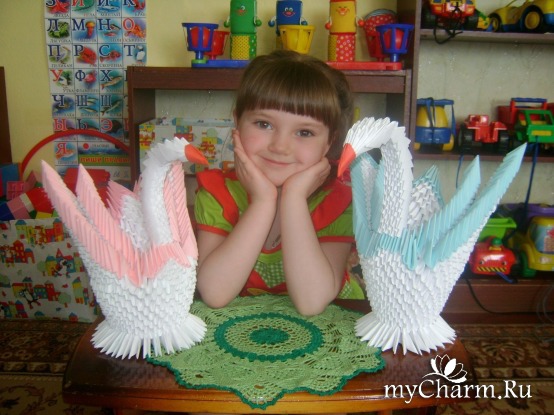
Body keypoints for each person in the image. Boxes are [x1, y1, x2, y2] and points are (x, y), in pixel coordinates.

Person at [194, 50, 364, 316]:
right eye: (264, 124)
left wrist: (293, 198)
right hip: (242, 326)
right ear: (238, 121)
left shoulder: (338, 201)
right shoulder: (218, 192)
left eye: (304, 132)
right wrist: (263, 202)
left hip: (332, 326)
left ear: (329, 142)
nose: (280, 146)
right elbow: (215, 293)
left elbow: (311, 302)